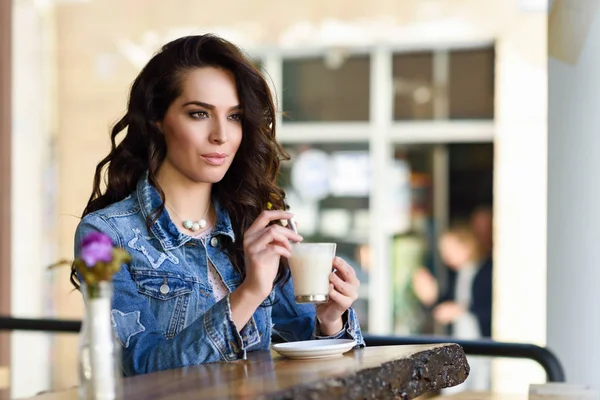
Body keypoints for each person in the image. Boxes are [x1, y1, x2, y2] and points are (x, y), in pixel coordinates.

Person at [72, 34, 364, 376]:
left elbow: (314, 352)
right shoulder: (105, 235)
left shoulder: (255, 224)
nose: (221, 135)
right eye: (199, 114)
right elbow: (139, 369)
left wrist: (330, 319)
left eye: (235, 116)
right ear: (157, 118)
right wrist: (250, 291)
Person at [412, 222, 492, 390]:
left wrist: (461, 310)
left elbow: (490, 308)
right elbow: (445, 305)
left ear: (466, 246)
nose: (446, 257)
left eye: (450, 250)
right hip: (461, 343)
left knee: (480, 387)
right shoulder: (456, 274)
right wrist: (431, 298)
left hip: (483, 344)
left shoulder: (487, 271)